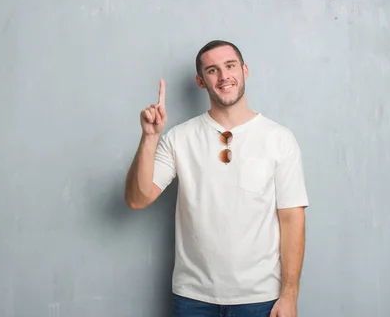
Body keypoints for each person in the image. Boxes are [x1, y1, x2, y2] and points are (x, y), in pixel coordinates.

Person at [124, 40, 309, 317]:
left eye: (230, 66)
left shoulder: (279, 139)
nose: (224, 77)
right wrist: (150, 137)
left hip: (260, 298)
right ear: (201, 81)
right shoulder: (179, 138)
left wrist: (290, 295)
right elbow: (138, 199)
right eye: (212, 70)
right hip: (192, 298)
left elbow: (293, 219)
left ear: (245, 70)